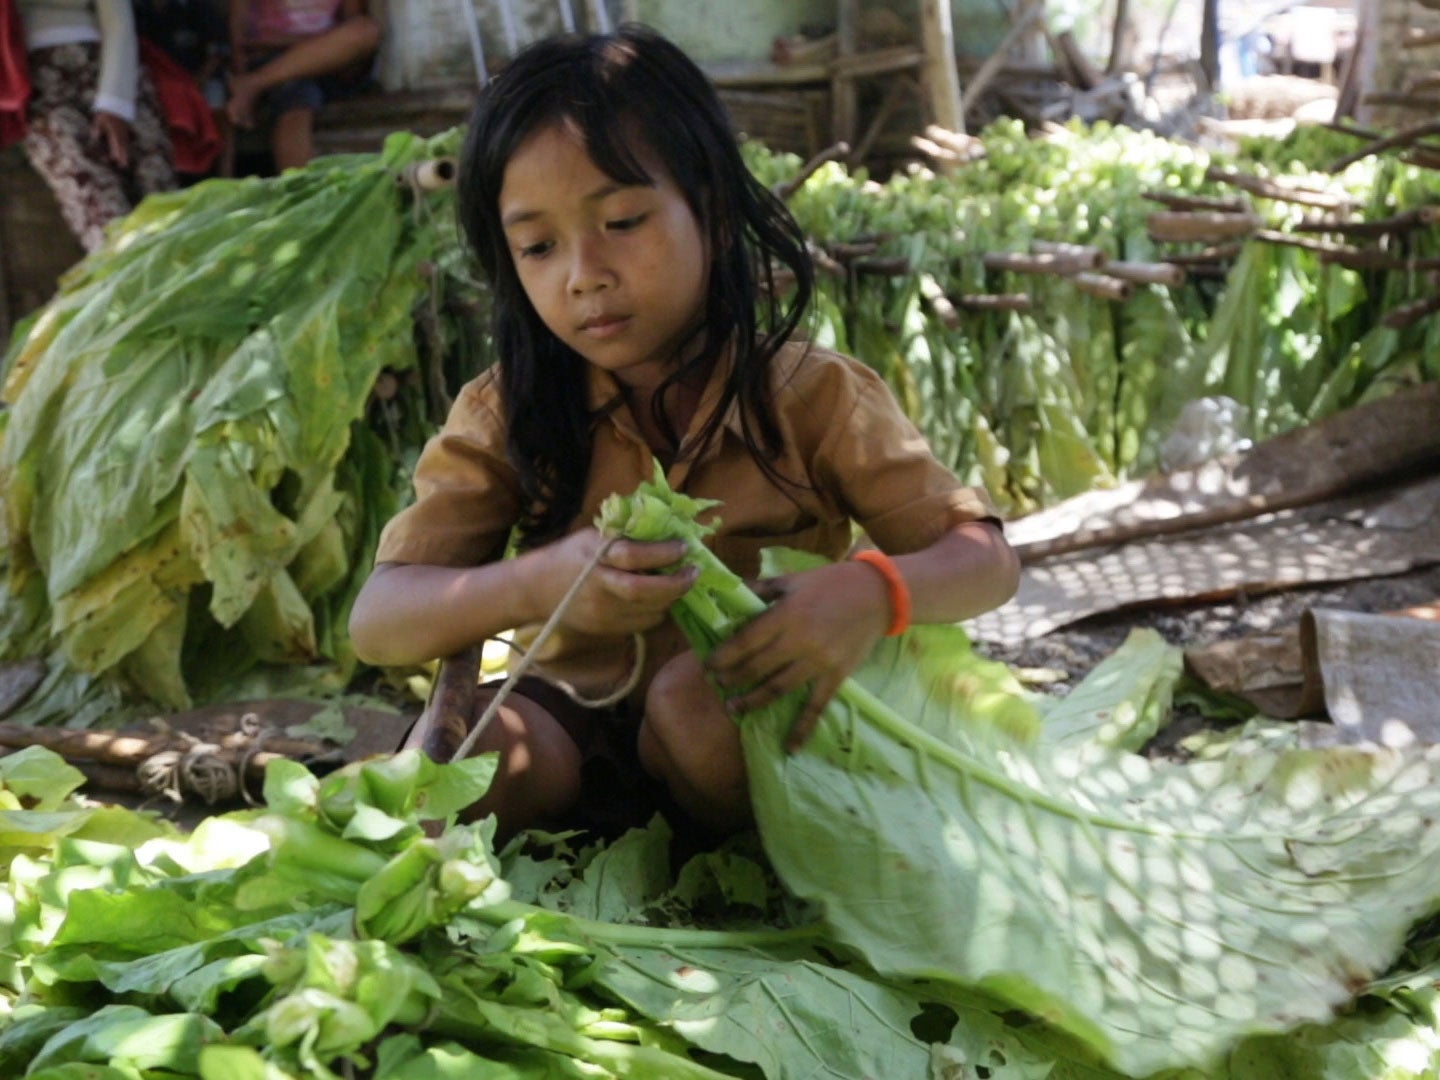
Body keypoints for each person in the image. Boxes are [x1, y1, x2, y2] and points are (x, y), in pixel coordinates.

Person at [347, 25, 1020, 840]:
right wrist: (545, 581)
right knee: (466, 775)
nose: (583, 273)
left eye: (624, 221)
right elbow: (379, 622)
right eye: (537, 245)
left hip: (749, 711)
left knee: (689, 710)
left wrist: (872, 594)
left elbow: (987, 561)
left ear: (715, 208)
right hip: (567, 709)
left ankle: (754, 871)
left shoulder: (814, 396)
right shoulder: (506, 410)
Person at [11, 0, 176, 252]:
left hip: (110, 70)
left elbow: (118, 19)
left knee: (161, 201)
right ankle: (128, 286)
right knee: (99, 209)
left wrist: (114, 103)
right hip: (40, 89)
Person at [225, 0, 378, 172]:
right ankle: (302, 190)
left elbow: (353, 26)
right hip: (274, 61)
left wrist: (308, 46)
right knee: (296, 107)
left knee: (366, 30)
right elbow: (240, 35)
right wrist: (241, 70)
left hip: (329, 57)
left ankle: (254, 83)